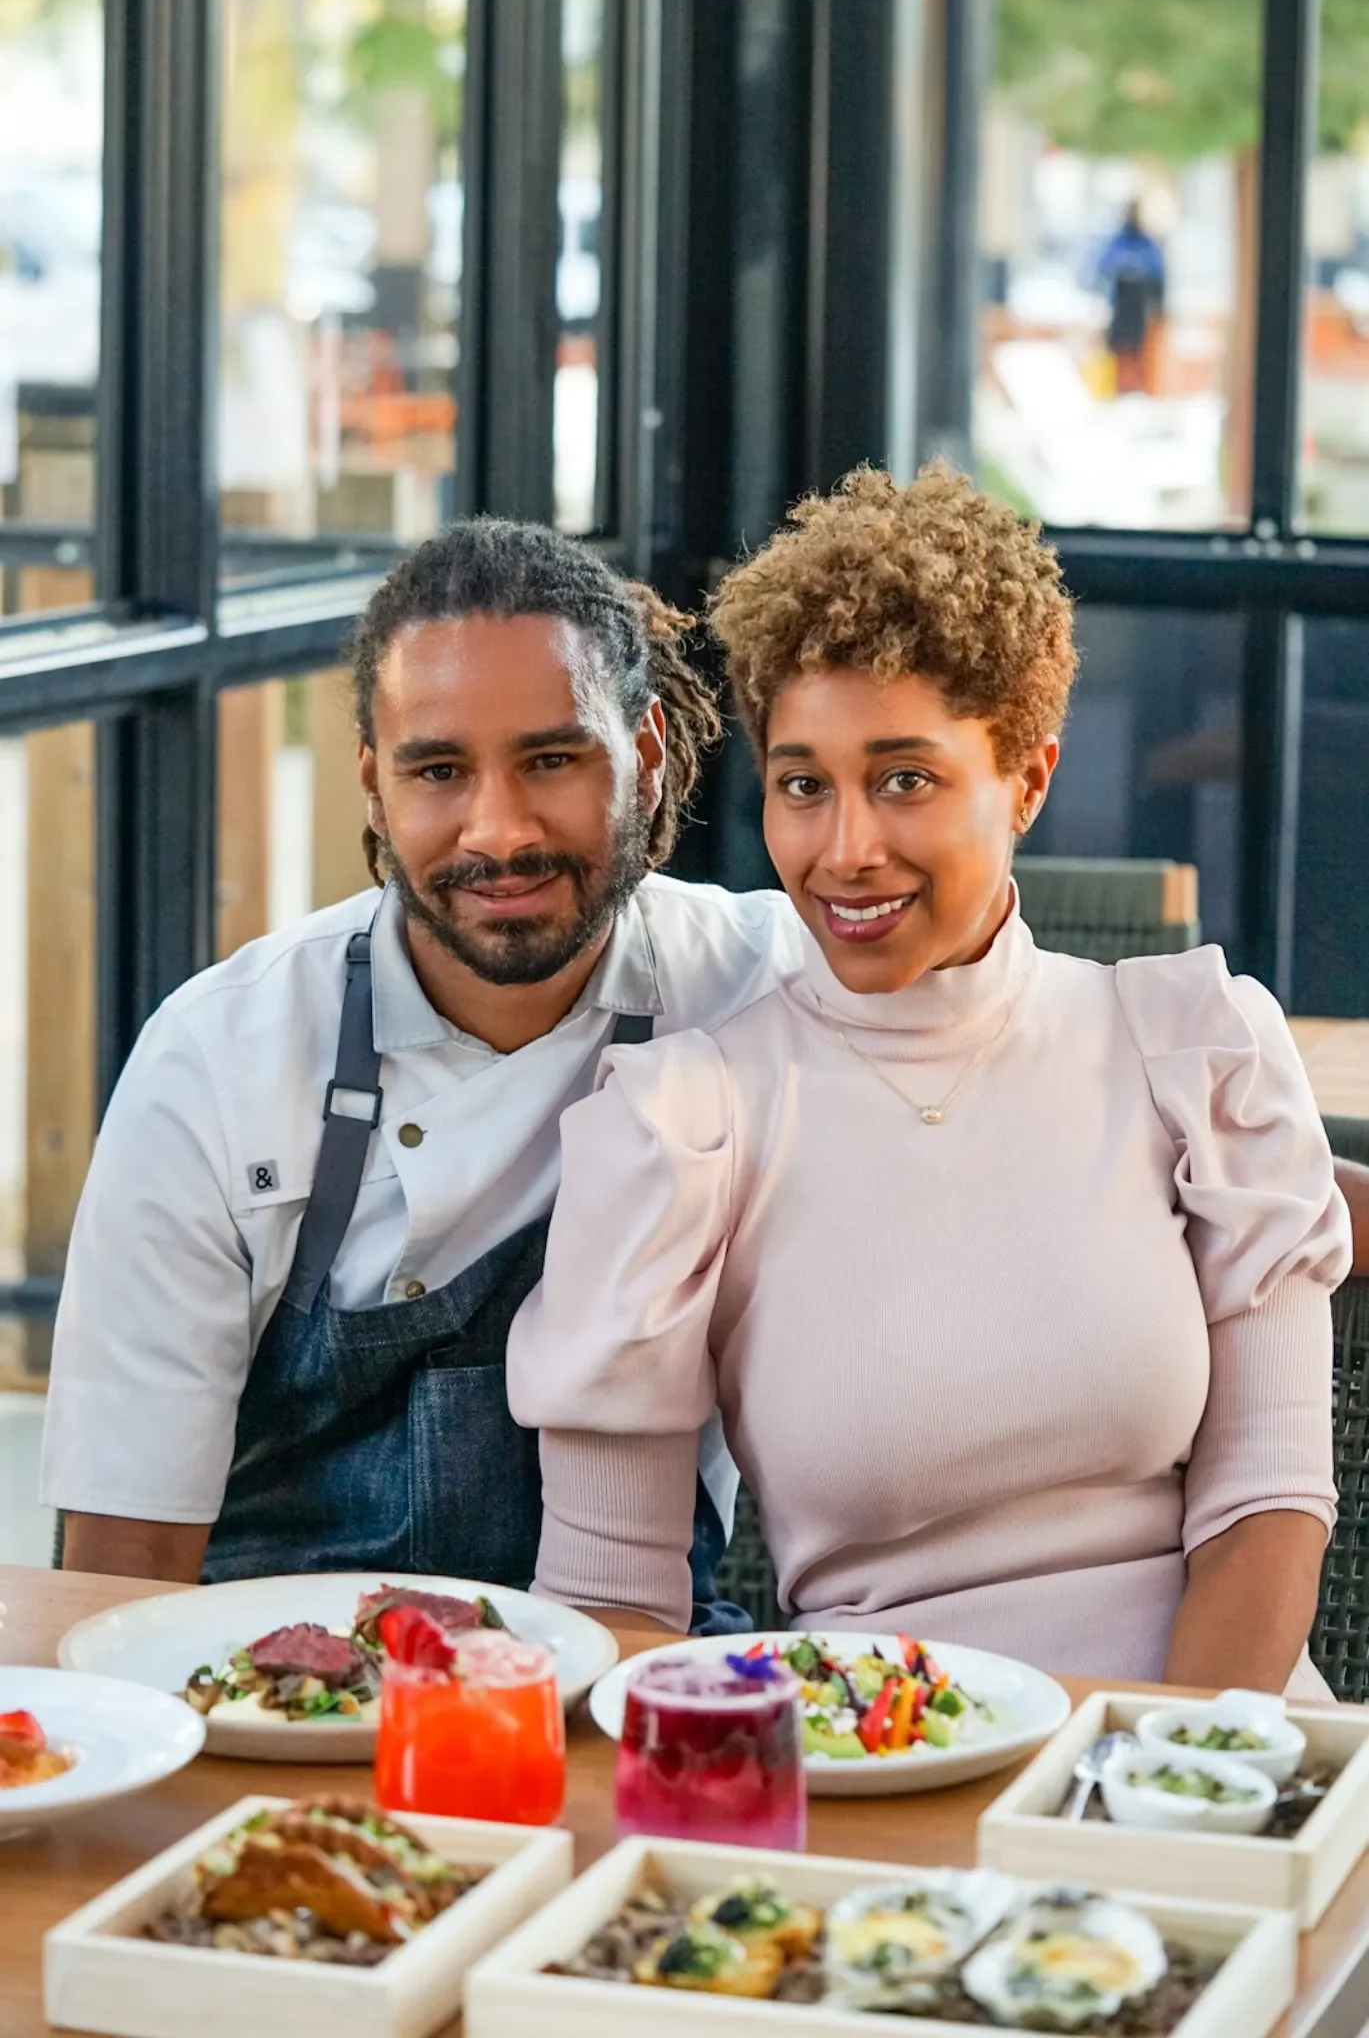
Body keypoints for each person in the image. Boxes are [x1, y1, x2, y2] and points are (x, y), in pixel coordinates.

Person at [507, 466, 1353, 1695]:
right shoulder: (683, 1123)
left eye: (906, 778)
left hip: (1205, 1762)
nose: (846, 849)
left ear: (1027, 776)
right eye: (804, 785)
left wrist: (1137, 1780)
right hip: (875, 1782)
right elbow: (611, 1604)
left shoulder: (1194, 1051)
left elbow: (1268, 1503)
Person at [40, 519, 801, 1619]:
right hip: (270, 1689)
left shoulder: (762, 989)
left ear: (643, 756)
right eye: (440, 770)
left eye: (551, 758)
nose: (499, 830)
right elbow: (120, 1564)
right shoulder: (215, 1063)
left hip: (629, 1683)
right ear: (374, 785)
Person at [1099, 201, 1165, 395]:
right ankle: (1118, 387)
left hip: (1138, 306)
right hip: (1120, 305)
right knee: (1119, 348)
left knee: (1139, 348)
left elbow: (1156, 269)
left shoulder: (1146, 243)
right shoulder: (1118, 241)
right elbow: (1105, 265)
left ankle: (1137, 386)